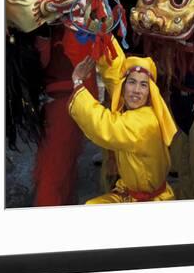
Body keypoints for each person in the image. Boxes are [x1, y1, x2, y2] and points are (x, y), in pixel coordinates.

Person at [69, 38, 178, 204]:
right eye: (132, 82)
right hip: (128, 194)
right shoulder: (132, 106)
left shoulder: (146, 122)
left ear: (150, 92)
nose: (136, 90)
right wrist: (104, 35)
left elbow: (105, 126)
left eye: (143, 85)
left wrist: (77, 82)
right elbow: (115, 74)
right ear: (124, 86)